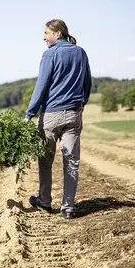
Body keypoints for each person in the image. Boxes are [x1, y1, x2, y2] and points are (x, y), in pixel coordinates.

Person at [25, 19, 92, 220]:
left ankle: (44, 202)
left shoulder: (50, 54)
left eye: (46, 33)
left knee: (45, 161)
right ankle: (68, 208)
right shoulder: (80, 52)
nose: (44, 37)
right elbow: (87, 82)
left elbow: (41, 86)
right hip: (73, 113)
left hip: (51, 116)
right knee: (72, 161)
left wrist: (29, 113)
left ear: (58, 33)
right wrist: (82, 102)